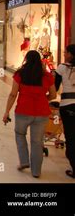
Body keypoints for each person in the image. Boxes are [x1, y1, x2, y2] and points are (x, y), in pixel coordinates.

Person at [2, 50, 56, 178]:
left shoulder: (20, 74)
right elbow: (53, 95)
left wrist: (6, 111)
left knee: (20, 135)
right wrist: (43, 100)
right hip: (41, 113)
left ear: (26, 59)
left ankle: (24, 161)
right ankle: (36, 172)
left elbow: (13, 94)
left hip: (23, 111)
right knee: (37, 142)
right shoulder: (47, 76)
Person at [54, 44, 75, 179]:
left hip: (67, 105)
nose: (64, 54)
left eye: (66, 52)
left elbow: (54, 87)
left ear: (71, 54)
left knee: (71, 136)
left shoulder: (62, 68)